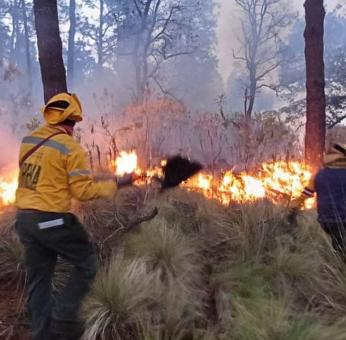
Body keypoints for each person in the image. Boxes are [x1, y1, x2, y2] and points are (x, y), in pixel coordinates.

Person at [14, 92, 134, 340]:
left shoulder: (29, 140)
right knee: (87, 261)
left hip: (24, 220)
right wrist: (115, 185)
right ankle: (65, 315)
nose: (73, 128)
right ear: (69, 121)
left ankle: (42, 335)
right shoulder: (70, 148)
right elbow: (83, 191)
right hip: (52, 220)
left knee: (39, 280)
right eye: (73, 123)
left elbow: (45, 178)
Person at [291, 143, 346, 257]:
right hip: (343, 219)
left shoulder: (318, 175)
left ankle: (337, 262)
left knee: (338, 243)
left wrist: (292, 209)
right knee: (341, 245)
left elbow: (305, 194)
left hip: (325, 221)